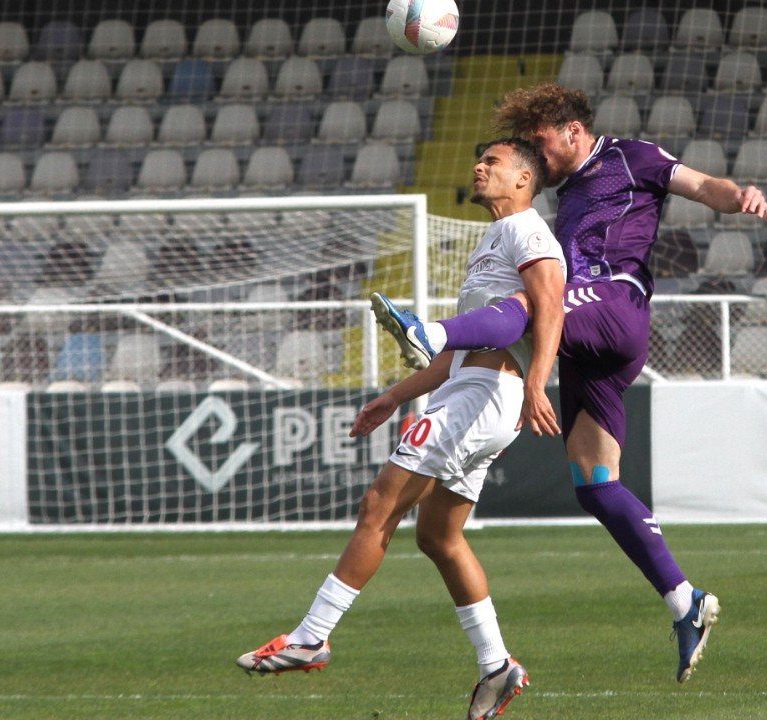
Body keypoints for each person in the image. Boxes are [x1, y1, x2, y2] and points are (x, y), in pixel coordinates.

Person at [371, 83, 767, 683]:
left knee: (529, 302)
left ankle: (432, 332)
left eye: (541, 144)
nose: (537, 157)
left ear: (572, 131)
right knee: (594, 483)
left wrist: (737, 196)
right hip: (590, 343)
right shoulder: (562, 201)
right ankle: (685, 601)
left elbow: (699, 185)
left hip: (614, 302)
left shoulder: (632, 157)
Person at [237, 138, 566, 720]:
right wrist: (393, 396)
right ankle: (497, 666)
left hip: (485, 396)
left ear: (523, 178)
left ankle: (312, 636)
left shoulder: (528, 231)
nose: (479, 166)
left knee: (379, 505)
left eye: (493, 162)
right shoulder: (492, 239)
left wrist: (539, 383)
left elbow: (550, 309)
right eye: (479, 159)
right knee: (438, 536)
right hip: (473, 389)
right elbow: (472, 345)